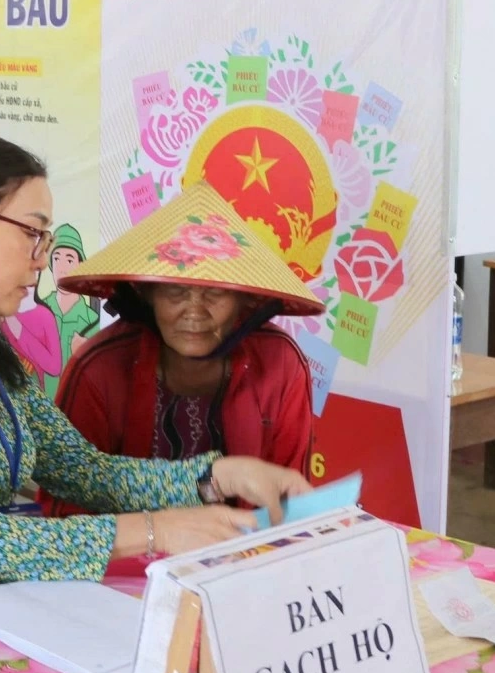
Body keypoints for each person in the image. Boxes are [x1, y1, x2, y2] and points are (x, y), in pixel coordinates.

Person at [0, 132, 311, 632]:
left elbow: (84, 470)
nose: (42, 257)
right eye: (32, 232)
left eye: (46, 238)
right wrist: (157, 530)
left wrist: (218, 476)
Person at [48, 182, 320, 496]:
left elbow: (289, 502)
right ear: (147, 294)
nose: (194, 311)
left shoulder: (281, 363)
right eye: (175, 290)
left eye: (215, 291)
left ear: (245, 301)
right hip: (127, 543)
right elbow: (64, 506)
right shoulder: (97, 369)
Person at [38, 223, 100, 398]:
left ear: (81, 264)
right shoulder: (37, 314)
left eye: (70, 259)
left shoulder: (93, 322)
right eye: (56, 258)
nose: (62, 267)